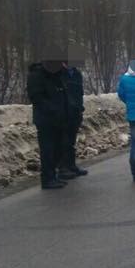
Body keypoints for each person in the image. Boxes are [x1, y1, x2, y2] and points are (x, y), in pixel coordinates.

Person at [27, 48, 70, 189]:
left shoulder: (56, 75)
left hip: (59, 119)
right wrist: (53, 109)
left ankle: (54, 175)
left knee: (58, 148)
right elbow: (36, 97)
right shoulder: (36, 76)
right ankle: (47, 179)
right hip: (45, 120)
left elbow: (63, 93)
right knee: (47, 150)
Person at [58, 58, 88, 179]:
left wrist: (80, 109)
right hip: (63, 113)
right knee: (62, 141)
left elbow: (79, 93)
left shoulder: (76, 73)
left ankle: (71, 166)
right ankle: (62, 168)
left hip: (75, 112)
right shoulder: (59, 73)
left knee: (71, 142)